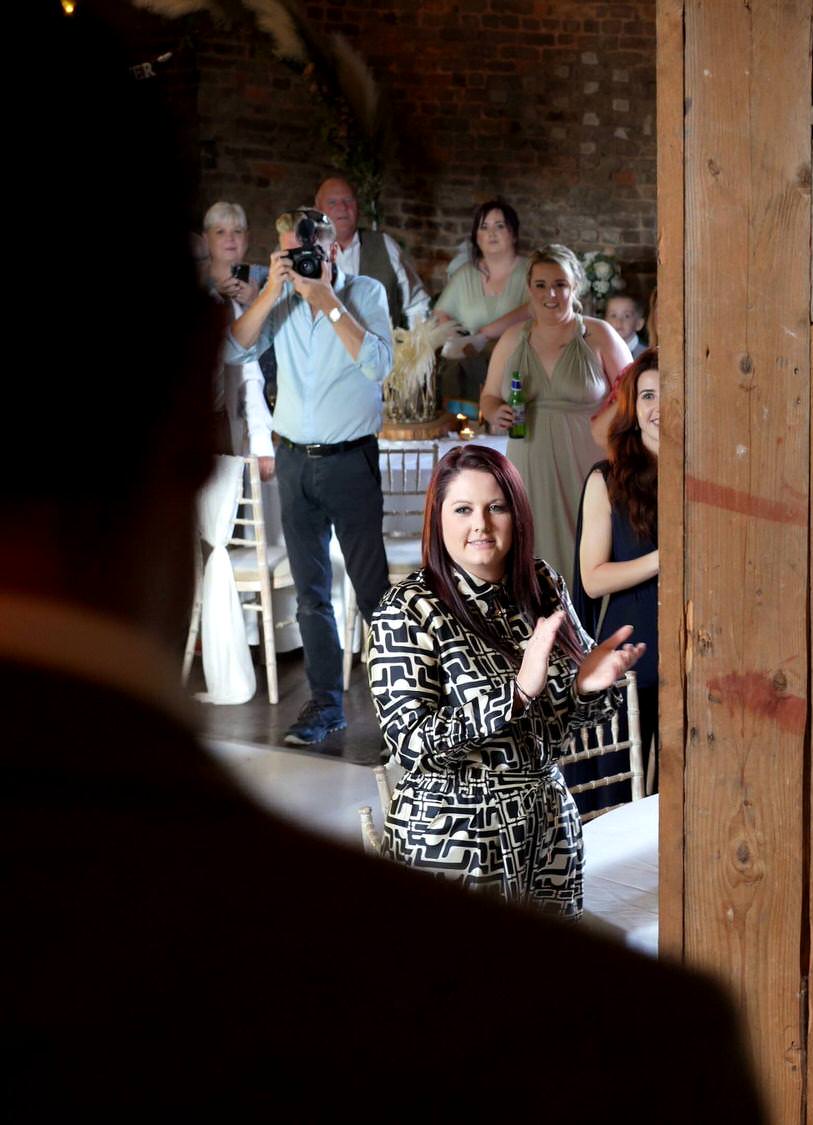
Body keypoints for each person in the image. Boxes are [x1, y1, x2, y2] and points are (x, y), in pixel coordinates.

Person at [15, 8, 761, 1111]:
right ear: (186, 425)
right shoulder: (625, 1039)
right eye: (466, 515)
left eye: (491, 516)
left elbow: (386, 372)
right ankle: (320, 701)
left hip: (537, 841)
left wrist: (576, 687)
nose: (484, 531)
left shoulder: (378, 309)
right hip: (462, 856)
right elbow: (420, 747)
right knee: (324, 598)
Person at [370, 445, 646, 916]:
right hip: (454, 835)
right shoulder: (407, 608)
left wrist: (586, 687)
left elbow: (559, 728)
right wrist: (515, 692)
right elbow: (411, 742)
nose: (480, 524)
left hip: (547, 827)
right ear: (438, 519)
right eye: (462, 510)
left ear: (516, 514)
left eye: (495, 507)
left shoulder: (541, 583)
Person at [224, 206, 394, 747]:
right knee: (311, 596)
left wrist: (330, 302)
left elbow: (379, 366)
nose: (300, 262)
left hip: (351, 462)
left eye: (308, 253)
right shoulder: (280, 300)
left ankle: (401, 709)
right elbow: (233, 346)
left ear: (332, 250)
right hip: (295, 462)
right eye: (289, 253)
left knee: (371, 594)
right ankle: (325, 707)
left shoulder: (365, 293)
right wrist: (273, 291)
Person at [482, 245, 632, 583]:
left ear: (574, 287)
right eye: (541, 285)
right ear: (529, 288)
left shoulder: (598, 335)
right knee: (533, 548)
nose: (550, 294)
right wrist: (496, 412)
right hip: (529, 461)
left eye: (560, 284)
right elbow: (489, 396)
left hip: (586, 460)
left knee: (591, 547)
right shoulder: (512, 339)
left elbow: (635, 393)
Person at [576, 350, 665, 811]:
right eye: (648, 395)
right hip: (637, 641)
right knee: (629, 789)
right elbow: (592, 579)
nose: (660, 406)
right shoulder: (607, 479)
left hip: (700, 641)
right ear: (633, 407)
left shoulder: (709, 472)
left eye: (672, 392)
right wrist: (665, 559)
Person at [432, 198, 532, 406]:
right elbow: (441, 313)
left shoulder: (531, 271)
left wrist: (486, 333)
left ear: (513, 234)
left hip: (517, 366)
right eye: (484, 227)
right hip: (470, 363)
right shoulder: (465, 274)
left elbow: (534, 308)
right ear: (477, 237)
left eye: (500, 226)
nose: (491, 233)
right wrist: (457, 339)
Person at [201, 200, 274, 478]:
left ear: (248, 238)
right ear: (206, 239)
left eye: (237, 231)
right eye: (220, 232)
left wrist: (258, 301)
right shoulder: (202, 291)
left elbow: (279, 346)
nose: (230, 239)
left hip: (265, 410)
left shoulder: (268, 279)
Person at [314, 174, 431, 330]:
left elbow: (417, 304)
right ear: (318, 210)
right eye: (332, 202)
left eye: (348, 201)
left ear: (358, 207)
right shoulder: (306, 252)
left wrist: (417, 348)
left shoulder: (384, 245)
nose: (342, 207)